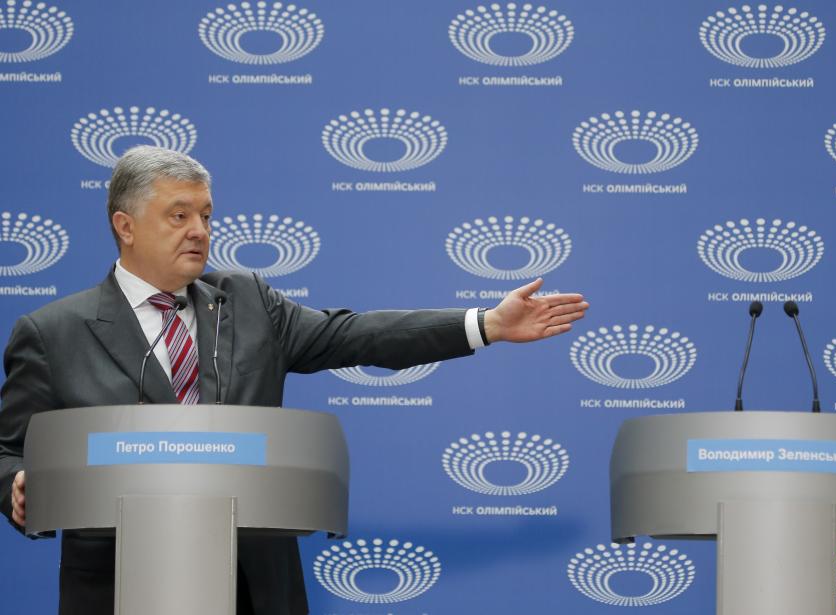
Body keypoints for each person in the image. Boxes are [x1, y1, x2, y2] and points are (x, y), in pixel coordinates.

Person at [0, 145, 588, 615]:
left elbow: (357, 335)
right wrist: (16, 486)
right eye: (178, 216)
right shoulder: (53, 332)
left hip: (254, 581)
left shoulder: (249, 301)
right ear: (125, 226)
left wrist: (484, 324)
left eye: (206, 215)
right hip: (118, 583)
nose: (199, 230)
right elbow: (7, 451)